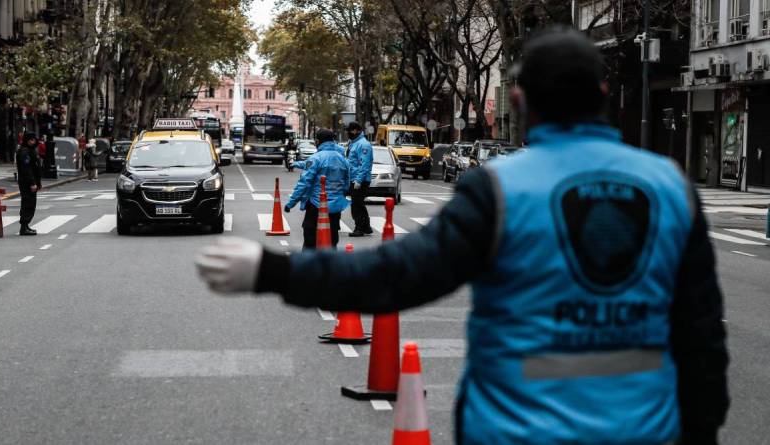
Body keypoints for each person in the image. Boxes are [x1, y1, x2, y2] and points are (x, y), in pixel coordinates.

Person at [196, 27, 728, 445]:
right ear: (604, 93)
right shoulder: (671, 188)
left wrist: (275, 271)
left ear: (519, 101)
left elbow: (397, 276)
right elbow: (701, 339)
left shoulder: (499, 190)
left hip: (515, 430)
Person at [283, 128, 350, 249]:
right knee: (332, 238)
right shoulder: (343, 160)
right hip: (335, 207)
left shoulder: (316, 158)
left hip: (316, 204)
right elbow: (346, 184)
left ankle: (310, 265)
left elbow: (304, 183)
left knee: (310, 239)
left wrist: (291, 203)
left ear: (318, 141)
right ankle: (330, 264)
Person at [345, 121, 374, 237]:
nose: (348, 132)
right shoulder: (353, 143)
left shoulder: (363, 144)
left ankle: (360, 228)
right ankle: (366, 227)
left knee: (357, 205)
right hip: (353, 178)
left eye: (349, 130)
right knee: (358, 204)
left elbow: (364, 164)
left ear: (356, 130)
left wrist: (358, 180)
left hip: (359, 180)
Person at [15, 132, 42, 236]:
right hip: (27, 182)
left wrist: (37, 182)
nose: (33, 141)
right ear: (27, 140)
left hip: (31, 181)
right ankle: (24, 226)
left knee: (30, 203)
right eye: (31, 139)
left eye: (34, 139)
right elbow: (26, 169)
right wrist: (32, 183)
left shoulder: (30, 150)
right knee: (28, 203)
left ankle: (25, 226)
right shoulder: (25, 151)